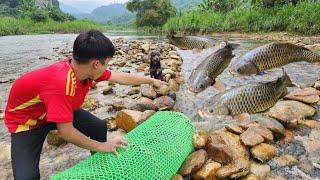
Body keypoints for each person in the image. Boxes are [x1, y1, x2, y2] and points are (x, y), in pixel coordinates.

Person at [4, 29, 167, 180]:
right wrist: (103, 146)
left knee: (98, 127)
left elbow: (120, 77)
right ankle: (101, 151)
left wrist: (151, 80)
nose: (107, 67)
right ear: (96, 64)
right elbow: (66, 132)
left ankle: (99, 167)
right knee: (27, 177)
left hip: (55, 109)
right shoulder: (62, 83)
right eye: (107, 63)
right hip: (27, 122)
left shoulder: (84, 71)